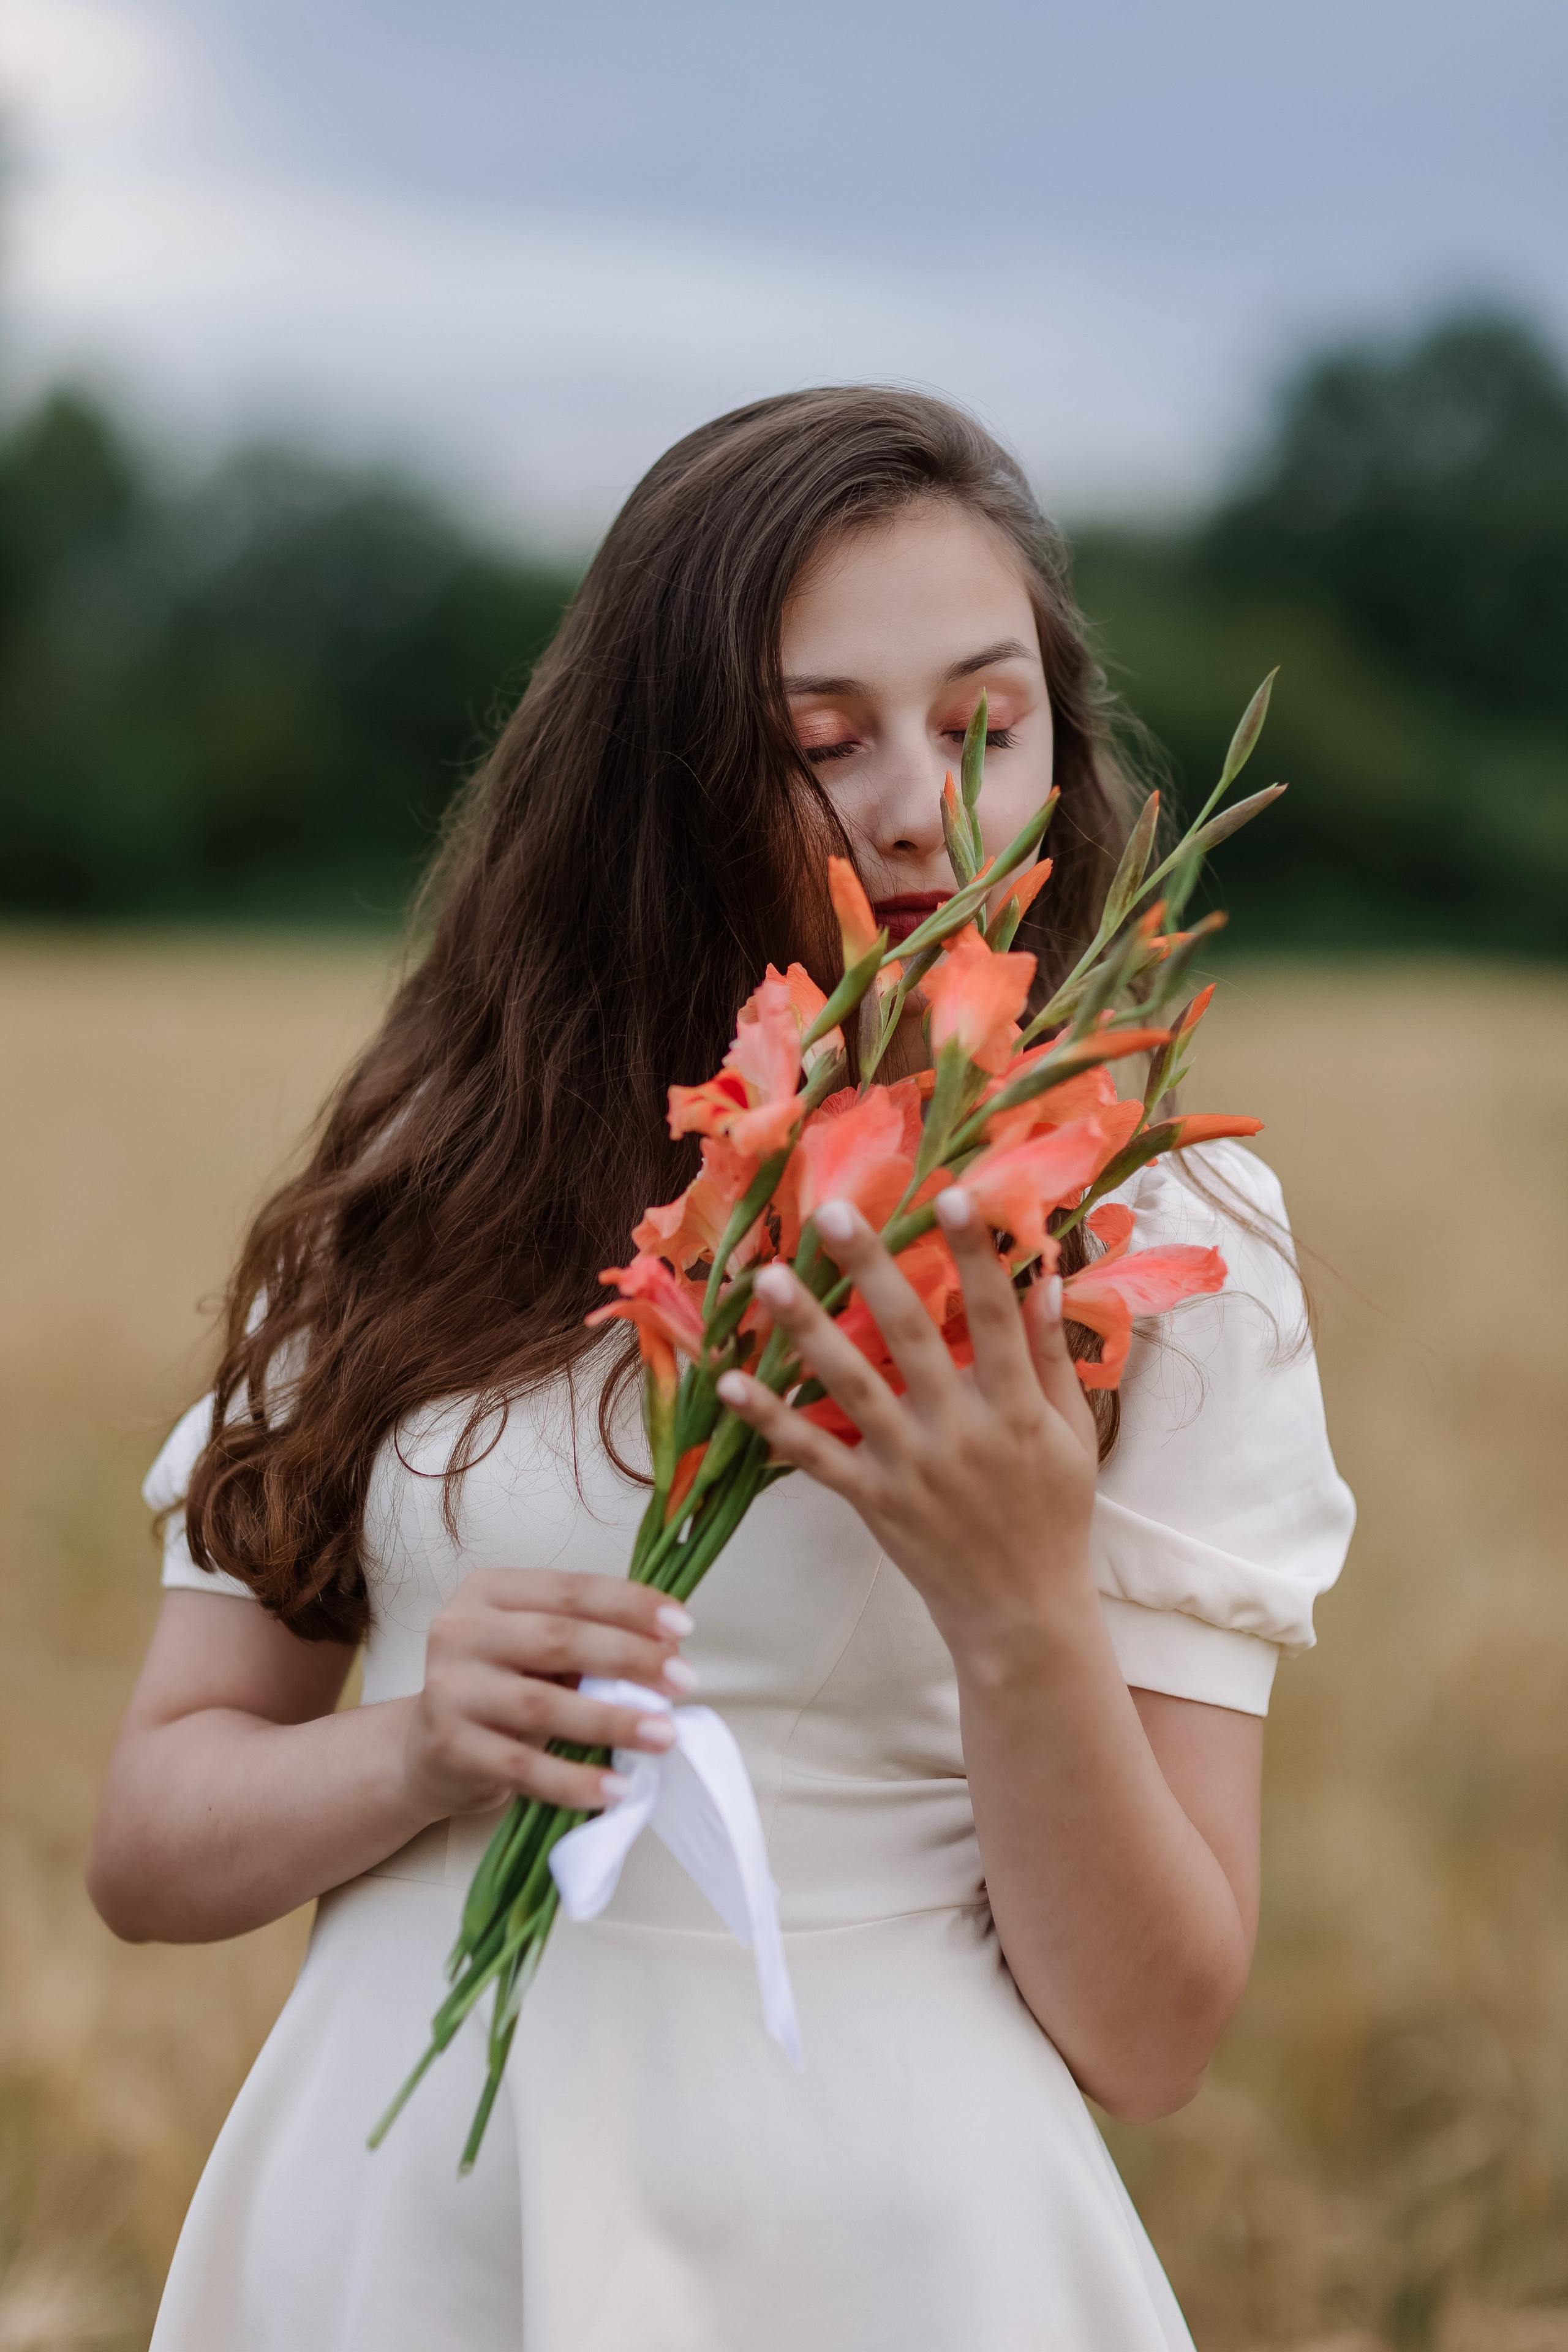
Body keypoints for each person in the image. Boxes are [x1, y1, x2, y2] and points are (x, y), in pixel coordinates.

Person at [88, 388, 1355, 2351]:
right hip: (410, 2221)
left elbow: (1157, 2037)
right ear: (653, 779)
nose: (917, 803)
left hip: (881, 2248)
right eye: (817, 745)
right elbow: (151, 1847)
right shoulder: (439, 1161)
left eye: (983, 725)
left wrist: (1018, 1597)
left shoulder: (1154, 1224)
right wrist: (418, 1748)